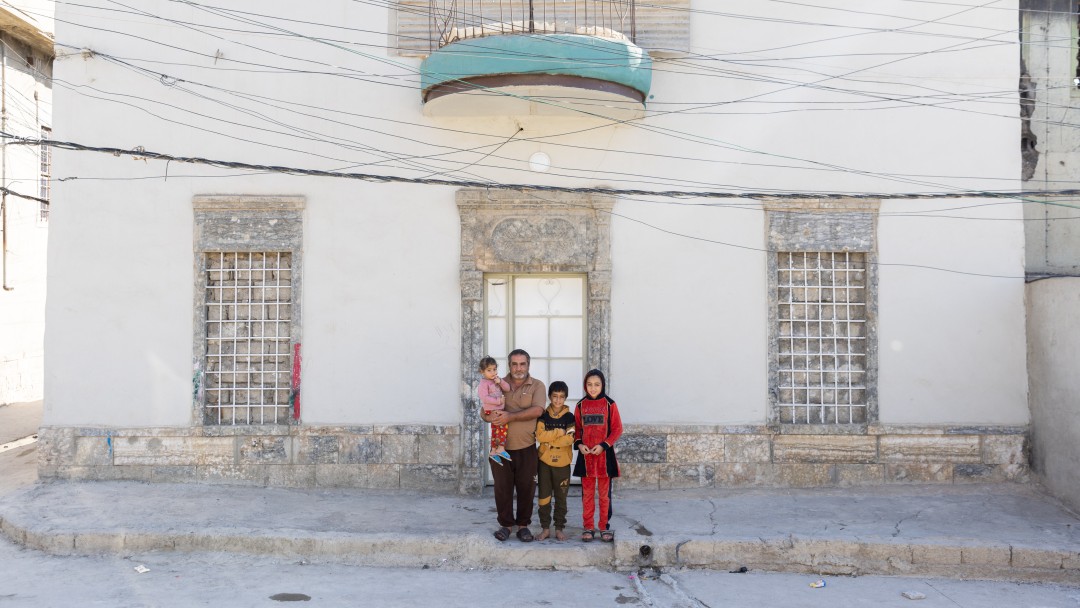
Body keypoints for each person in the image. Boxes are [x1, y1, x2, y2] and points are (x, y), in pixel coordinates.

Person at [481, 349, 545, 542]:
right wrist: (487, 415)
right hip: (500, 447)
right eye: (515, 364)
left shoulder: (537, 385)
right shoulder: (495, 383)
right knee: (502, 487)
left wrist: (511, 416)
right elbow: (484, 408)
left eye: (522, 364)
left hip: (526, 447)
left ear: (528, 365)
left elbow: (537, 410)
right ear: (509, 365)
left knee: (527, 487)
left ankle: (523, 526)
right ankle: (506, 525)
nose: (519, 368)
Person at [573, 369, 623, 543]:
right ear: (585, 386)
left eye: (597, 384)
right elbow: (577, 429)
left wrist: (603, 446)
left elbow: (617, 429)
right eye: (589, 384)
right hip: (586, 459)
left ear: (602, 385)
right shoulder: (580, 405)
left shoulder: (610, 404)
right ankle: (588, 526)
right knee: (587, 495)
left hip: (604, 458)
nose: (593, 388)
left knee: (604, 495)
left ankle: (603, 527)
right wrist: (579, 444)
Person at [535, 380, 575, 541]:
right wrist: (559, 431)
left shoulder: (569, 417)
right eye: (555, 396)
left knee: (561, 497)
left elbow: (570, 439)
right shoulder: (543, 415)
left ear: (565, 398)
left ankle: (559, 528)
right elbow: (539, 436)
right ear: (550, 397)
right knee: (544, 497)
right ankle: (545, 528)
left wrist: (550, 441)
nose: (558, 400)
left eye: (561, 397)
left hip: (563, 463)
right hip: (544, 462)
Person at [477, 356, 513, 464]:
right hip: (492, 409)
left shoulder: (496, 379)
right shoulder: (483, 383)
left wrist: (500, 381)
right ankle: (501, 448)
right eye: (489, 370)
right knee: (503, 427)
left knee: (495, 431)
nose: (493, 372)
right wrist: (498, 401)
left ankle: (493, 451)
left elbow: (507, 388)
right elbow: (484, 398)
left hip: (498, 409)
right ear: (482, 371)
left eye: (494, 369)